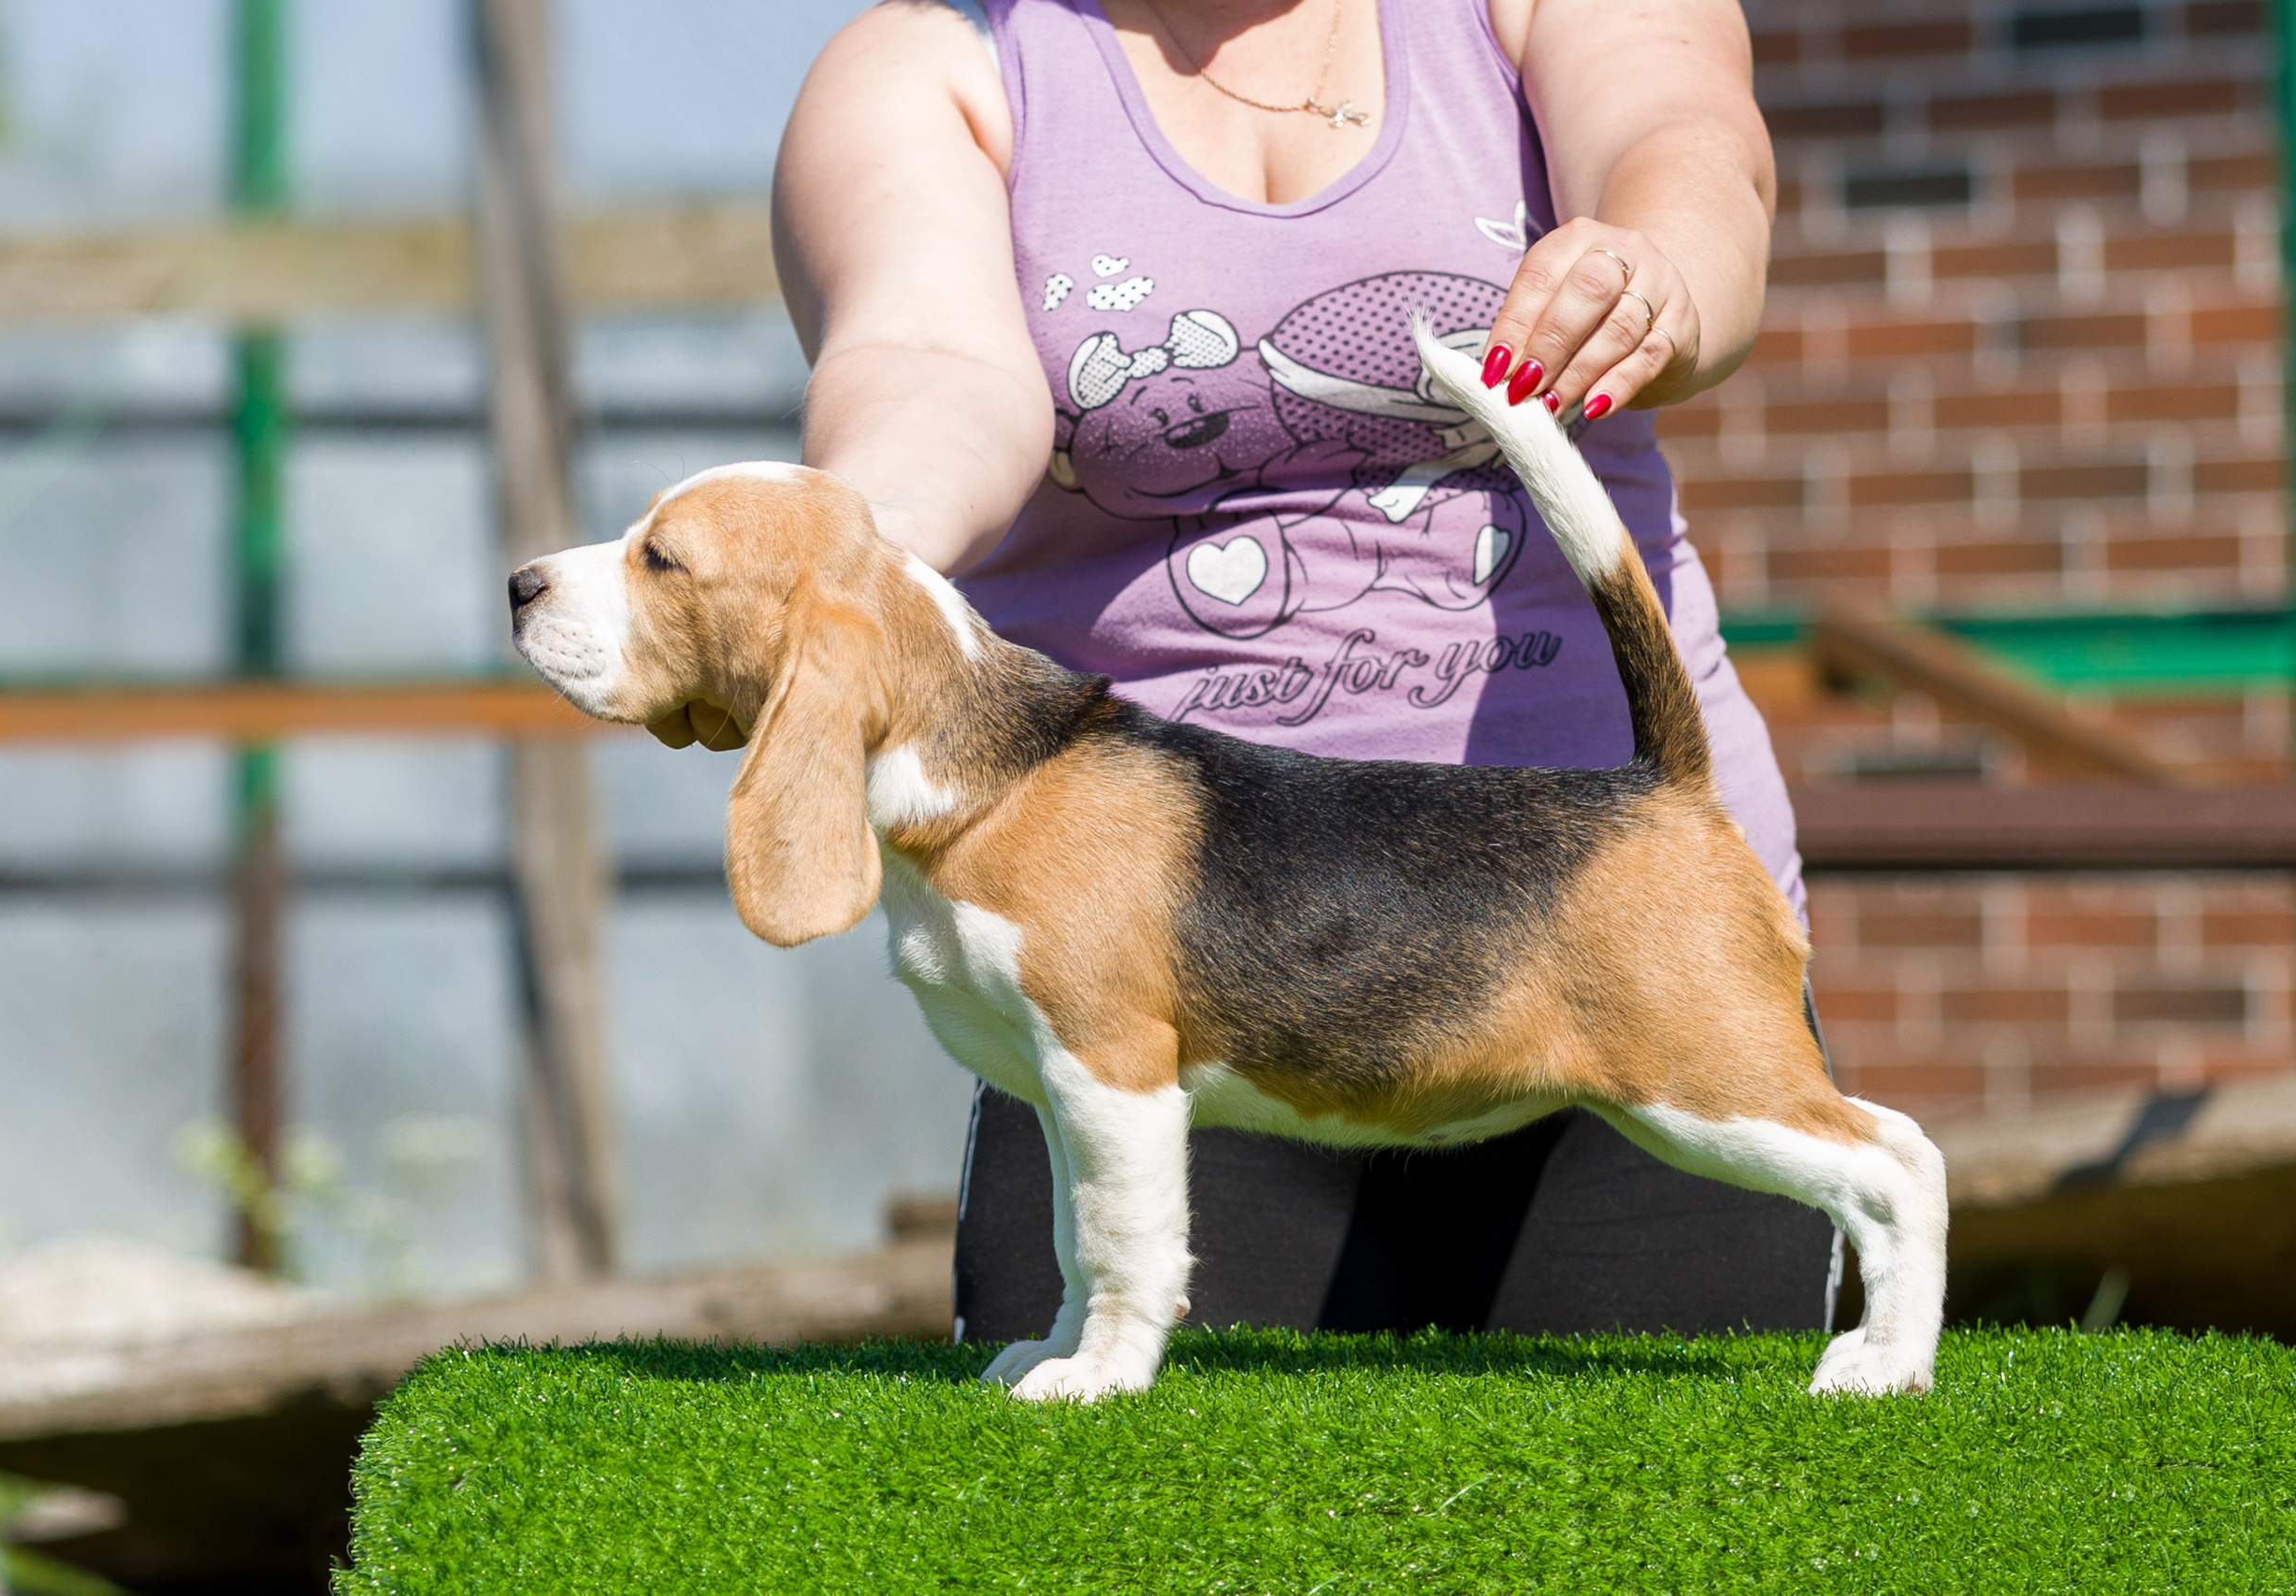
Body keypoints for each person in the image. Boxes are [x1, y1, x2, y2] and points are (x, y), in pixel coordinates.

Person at [773, 0, 1837, 1343]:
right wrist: (852, 543)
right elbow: (928, 361)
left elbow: (1688, 150)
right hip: (1167, 956)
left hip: (1597, 911)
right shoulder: (938, 62)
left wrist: (1657, 267)